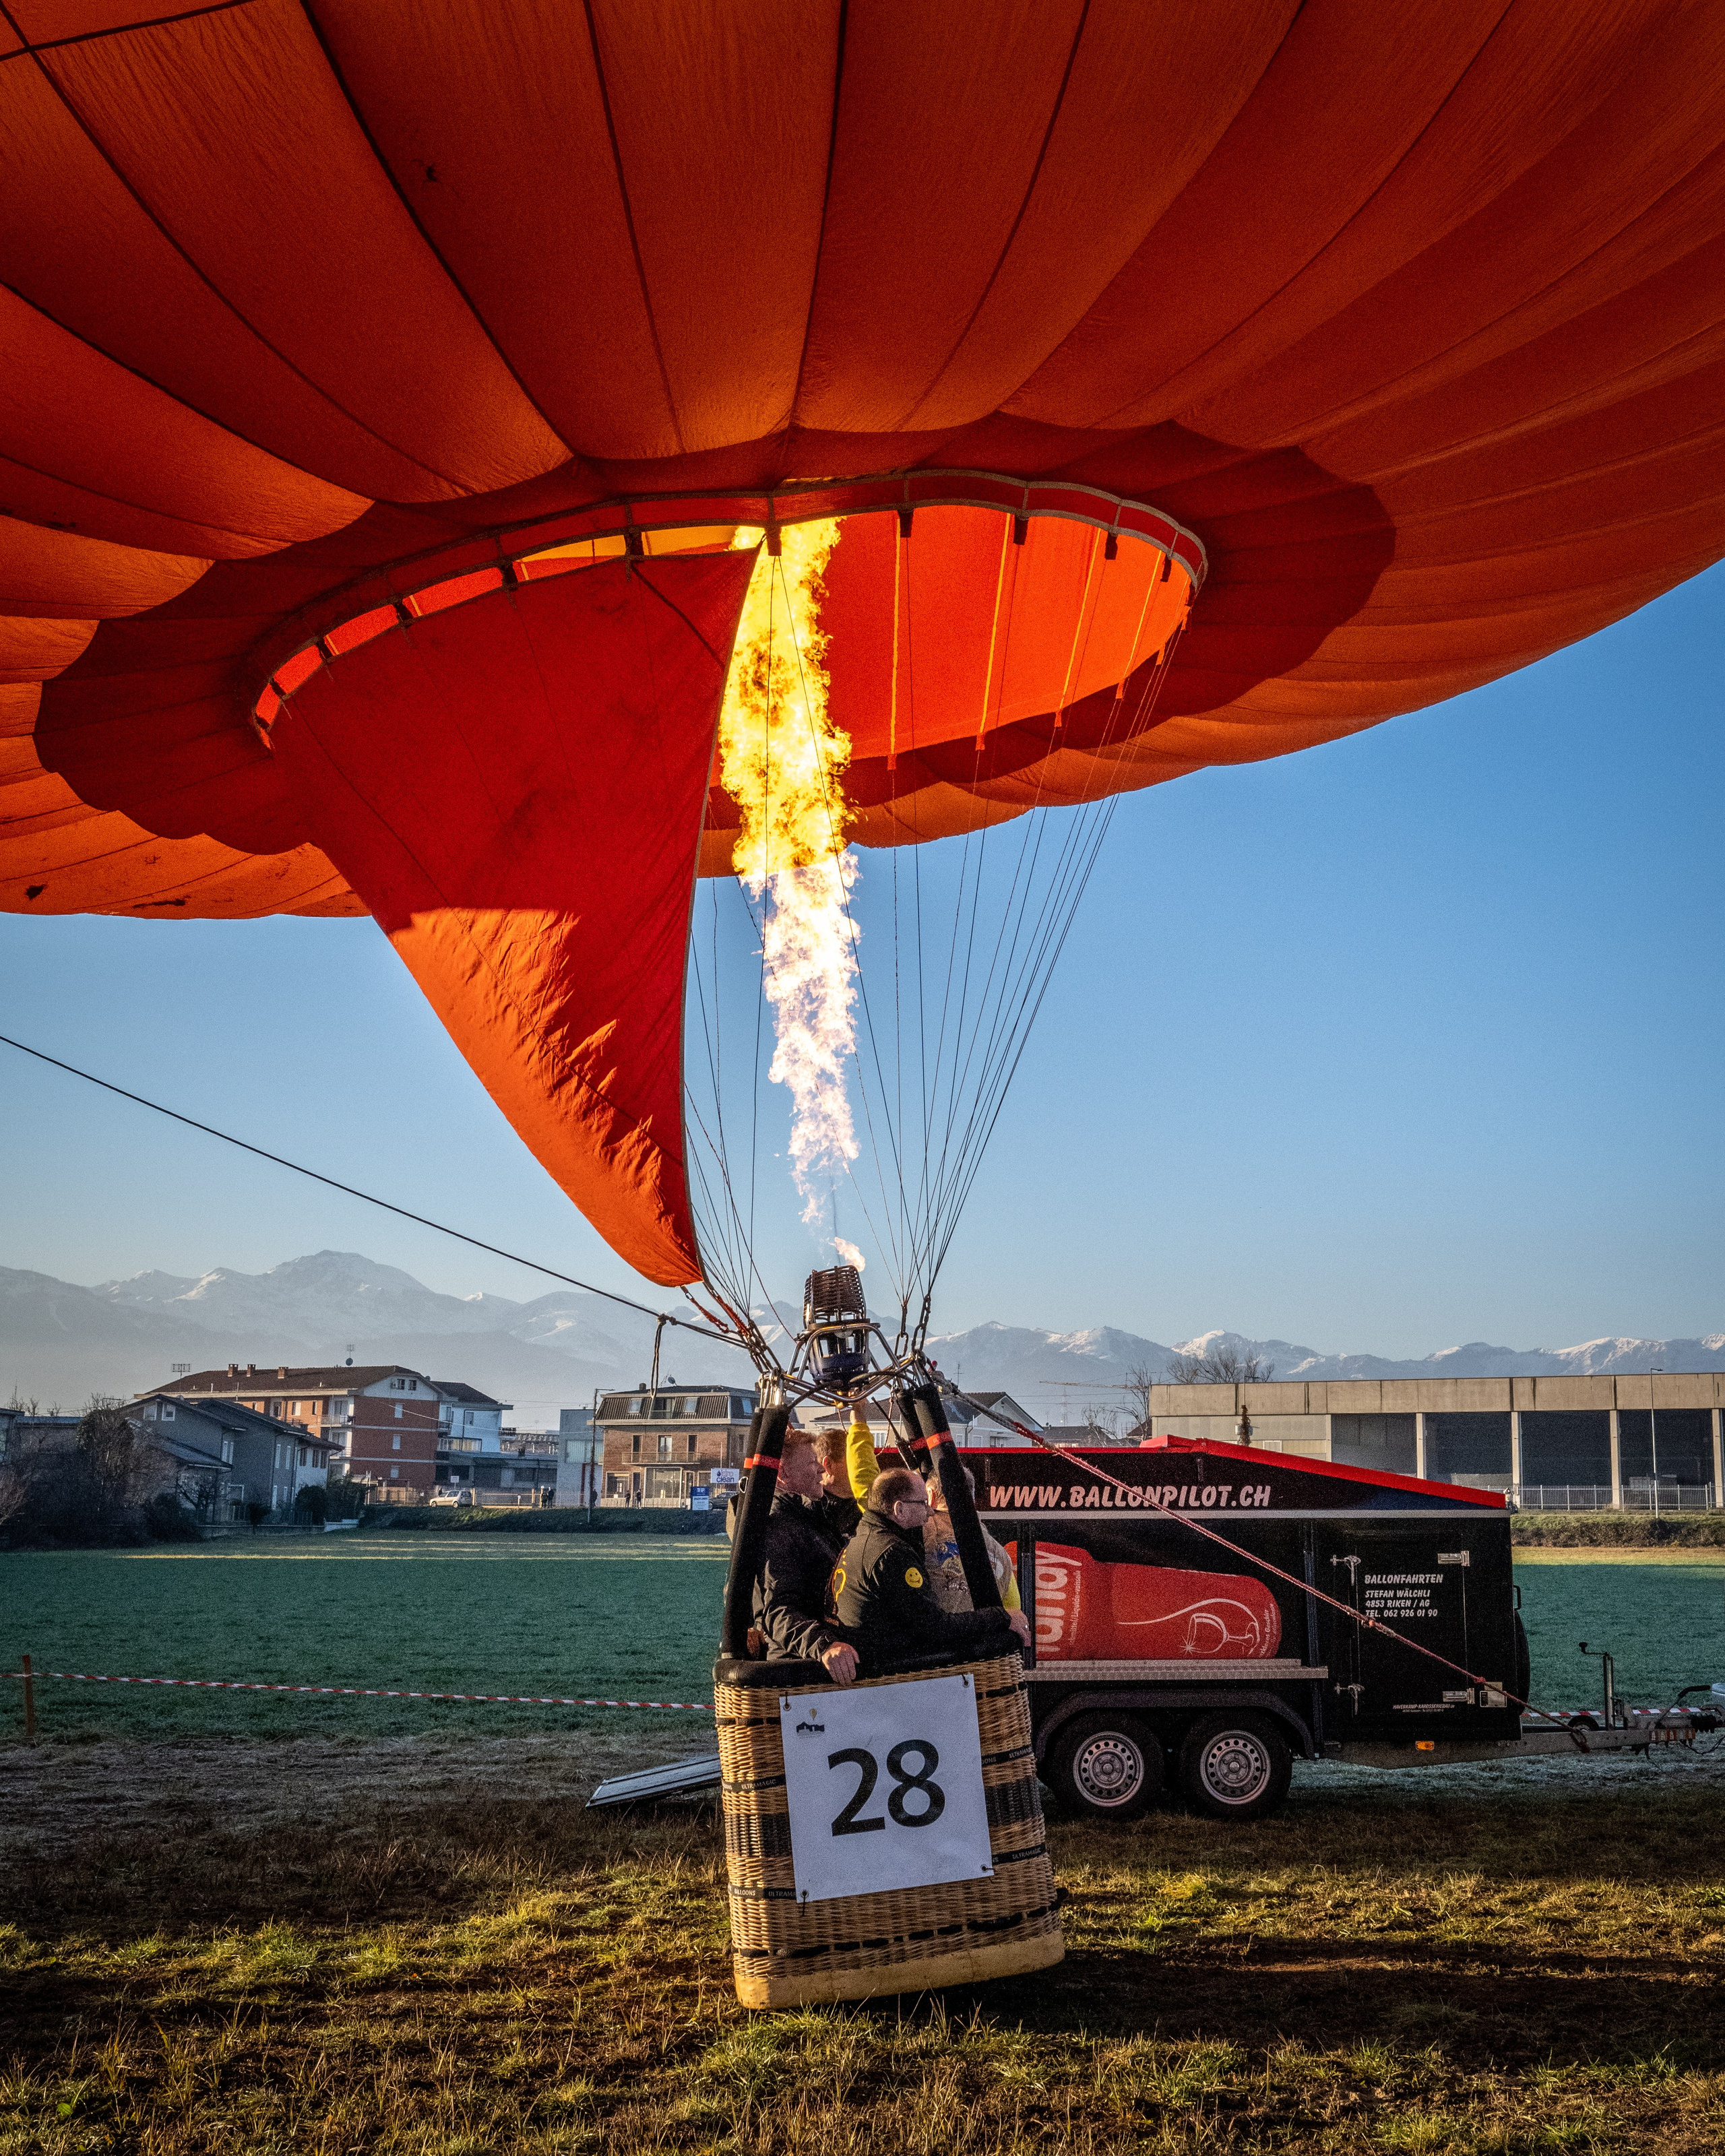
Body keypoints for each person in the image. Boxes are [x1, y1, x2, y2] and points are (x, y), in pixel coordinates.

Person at [832, 1467, 1029, 1672]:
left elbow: (862, 1475)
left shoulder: (861, 1542)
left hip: (888, 1669)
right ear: (899, 1510)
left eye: (928, 1502)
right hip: (916, 1672)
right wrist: (1002, 1617)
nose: (929, 1511)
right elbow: (936, 1627)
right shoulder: (893, 1554)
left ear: (933, 1494)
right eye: (923, 1504)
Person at [844, 1419, 1022, 1616]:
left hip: (934, 1639)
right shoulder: (1000, 1554)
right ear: (971, 1497)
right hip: (978, 1641)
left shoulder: (919, 1530)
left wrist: (858, 1423)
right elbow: (1013, 1611)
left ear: (931, 1496)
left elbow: (867, 1487)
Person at [750, 1432, 859, 1684]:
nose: (822, 1469)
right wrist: (824, 1646)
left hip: (822, 1661)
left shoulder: (809, 1516)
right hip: (801, 1669)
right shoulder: (778, 1527)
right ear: (783, 1473)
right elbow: (777, 1611)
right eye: (812, 1462)